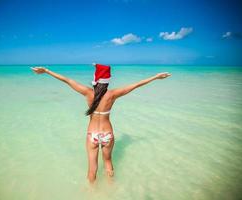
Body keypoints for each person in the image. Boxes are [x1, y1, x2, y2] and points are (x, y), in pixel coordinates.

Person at [31, 64, 171, 184]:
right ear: (107, 81)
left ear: (95, 80)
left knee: (92, 168)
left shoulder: (88, 93)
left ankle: (92, 194)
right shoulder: (112, 94)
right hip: (107, 135)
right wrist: (156, 77)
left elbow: (67, 80)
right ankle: (111, 190)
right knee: (108, 163)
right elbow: (136, 85)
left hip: (92, 135)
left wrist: (46, 71)